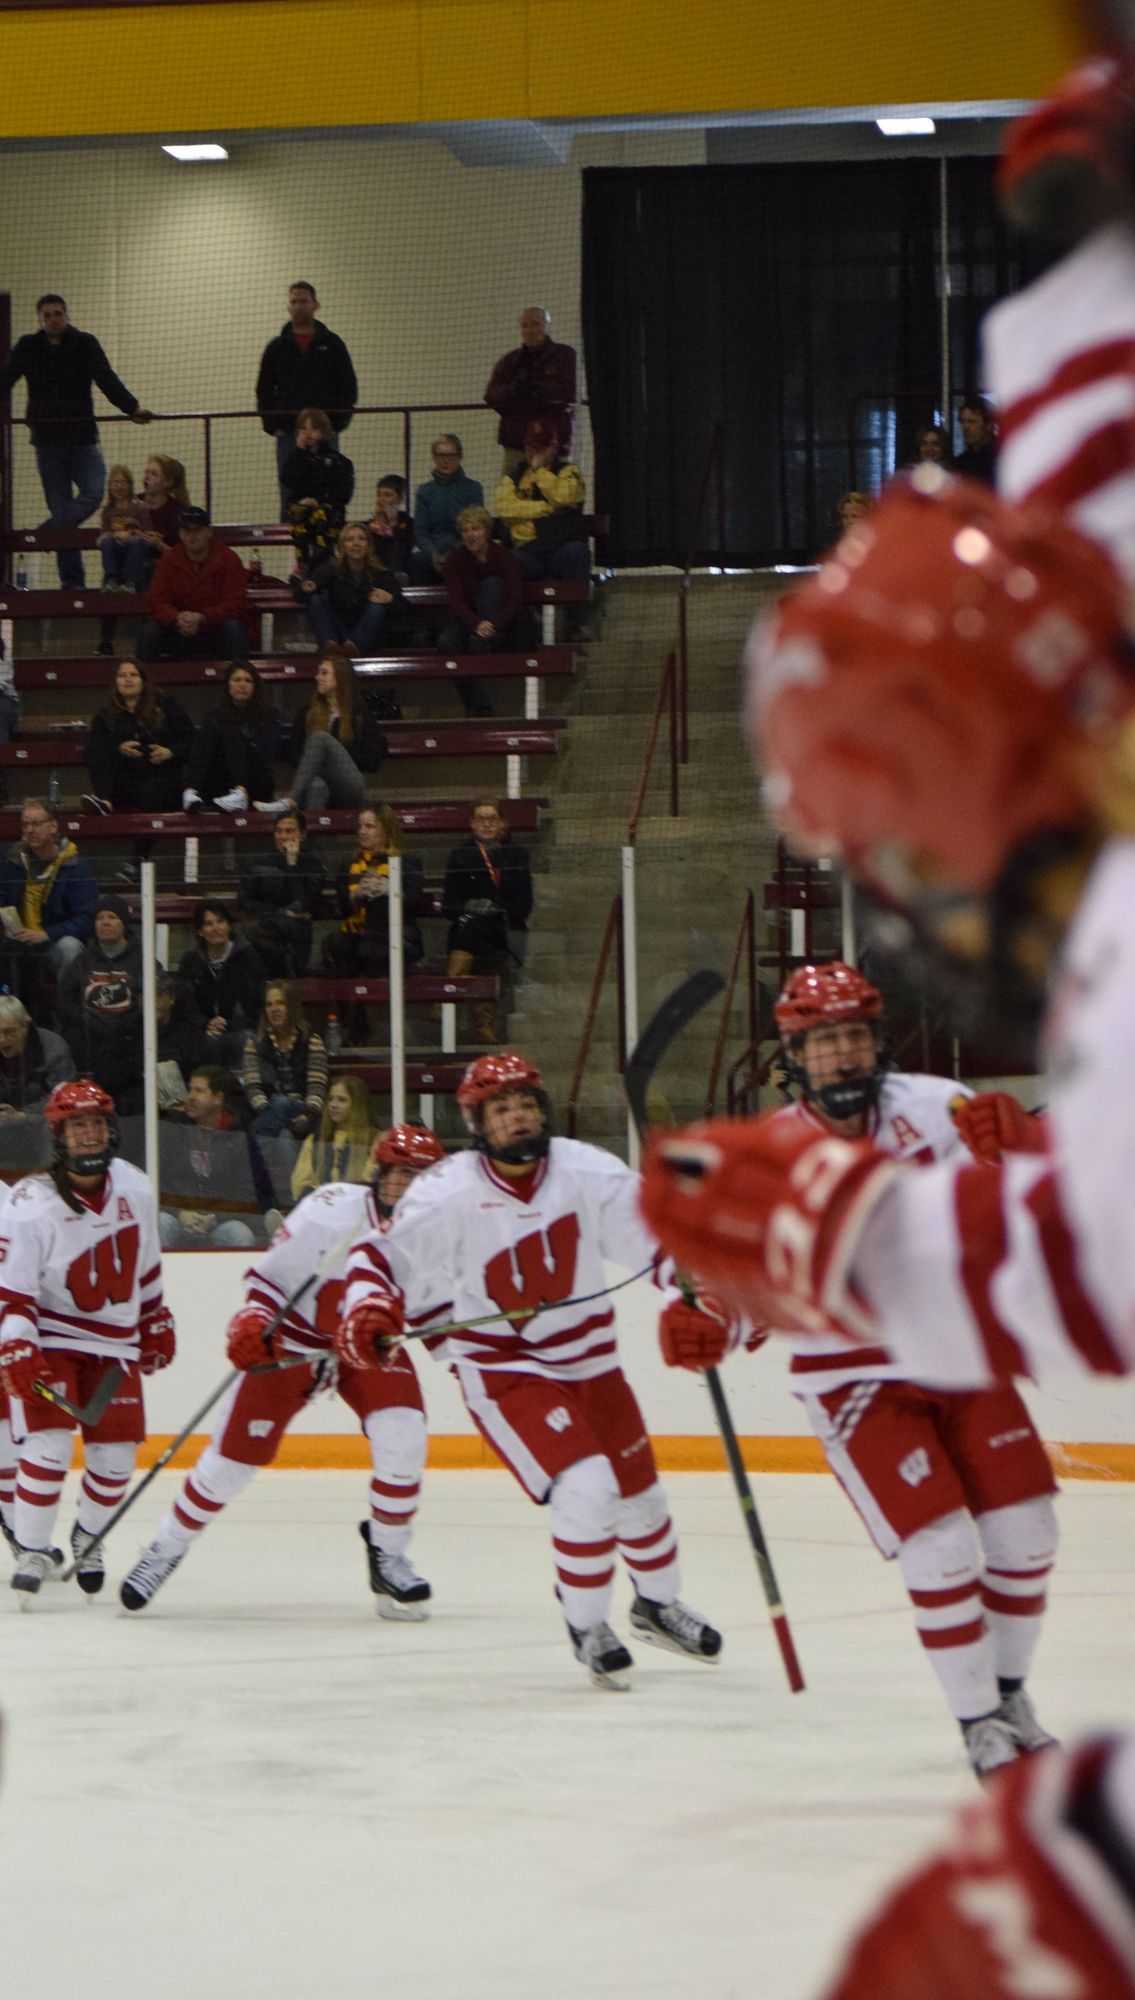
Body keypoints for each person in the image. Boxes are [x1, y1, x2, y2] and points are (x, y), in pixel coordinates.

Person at [661, 959, 1059, 1779]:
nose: (841, 1054)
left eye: (853, 1036)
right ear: (792, 1055)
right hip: (854, 1378)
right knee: (943, 1549)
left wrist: (1022, 1144)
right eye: (822, 1041)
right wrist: (706, 1321)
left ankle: (1010, 1694)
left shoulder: (932, 1107)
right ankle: (978, 1721)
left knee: (1027, 1534)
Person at [338, 1051, 722, 1689]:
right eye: (500, 1108)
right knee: (588, 1486)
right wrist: (370, 1307)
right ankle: (587, 1625)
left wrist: (691, 1296)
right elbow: (380, 1259)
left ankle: (656, 1603)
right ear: (477, 1123)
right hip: (507, 1369)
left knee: (642, 1494)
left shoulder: (586, 1170)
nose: (517, 1117)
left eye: (525, 1104)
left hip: (593, 1364)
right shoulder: (449, 1188)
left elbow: (656, 1241)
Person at [119, 1123, 445, 1614]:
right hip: (292, 1343)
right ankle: (164, 1549)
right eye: (402, 1174)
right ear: (379, 1174)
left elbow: (438, 1312)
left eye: (422, 1177)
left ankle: (390, 1557)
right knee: (226, 1468)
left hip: (366, 1349)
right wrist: (251, 1322)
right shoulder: (332, 1210)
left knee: (405, 1436)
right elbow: (271, 1281)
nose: (410, 1187)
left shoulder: (432, 1233)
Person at [0, 1079, 173, 1598]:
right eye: (79, 1126)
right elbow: (15, 1292)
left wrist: (155, 1318)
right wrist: (18, 1344)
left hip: (115, 1345)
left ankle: (89, 1536)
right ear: (59, 1135)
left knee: (116, 1458)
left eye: (97, 1123)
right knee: (49, 1445)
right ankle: (32, 1547)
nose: (90, 1134)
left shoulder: (135, 1186)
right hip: (52, 1340)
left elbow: (146, 1265)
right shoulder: (31, 1202)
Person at [0, 293, 152, 588]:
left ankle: (48, 531)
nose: (54, 319)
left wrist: (131, 407)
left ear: (67, 316)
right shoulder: (28, 347)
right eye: (48, 316)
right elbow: (6, 378)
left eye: (58, 314)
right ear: (40, 321)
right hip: (47, 442)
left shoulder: (85, 344)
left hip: (83, 438)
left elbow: (106, 377)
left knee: (94, 493)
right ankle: (73, 585)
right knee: (64, 514)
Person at [81, 658, 194, 874]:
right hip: (124, 782)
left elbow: (191, 739)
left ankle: (137, 860)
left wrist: (169, 752)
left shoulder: (166, 705)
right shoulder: (106, 716)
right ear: (115, 682)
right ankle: (104, 801)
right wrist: (118, 748)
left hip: (163, 779)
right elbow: (95, 751)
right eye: (122, 675)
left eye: (133, 674)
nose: (128, 680)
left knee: (154, 791)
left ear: (143, 680)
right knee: (95, 746)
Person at [256, 282, 358, 510]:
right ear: (288, 307)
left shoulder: (333, 345)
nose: (299, 306)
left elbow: (348, 387)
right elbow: (264, 390)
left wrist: (336, 424)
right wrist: (273, 426)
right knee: (290, 492)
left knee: (328, 489)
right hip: (288, 434)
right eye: (294, 302)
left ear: (316, 305)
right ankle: (291, 542)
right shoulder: (276, 347)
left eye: (304, 301)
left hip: (326, 432)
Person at [442, 796, 533, 1043]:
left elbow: (524, 904)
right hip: (472, 929)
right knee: (474, 929)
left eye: (492, 818)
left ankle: (447, 993)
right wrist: (471, 907)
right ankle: (484, 1023)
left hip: (505, 928)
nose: (487, 824)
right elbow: (449, 904)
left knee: (472, 930)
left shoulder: (516, 854)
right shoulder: (460, 855)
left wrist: (496, 909)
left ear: (501, 822)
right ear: (472, 823)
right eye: (481, 818)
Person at [57, 894, 151, 1113]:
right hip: (91, 1035)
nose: (105, 922)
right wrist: (87, 1020)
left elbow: (155, 996)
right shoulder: (82, 961)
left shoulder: (142, 959)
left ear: (123, 924)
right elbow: (65, 1002)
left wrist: (126, 1021)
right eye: (100, 918)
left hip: (129, 1035)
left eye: (112, 917)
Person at [493, 417, 590, 629]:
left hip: (560, 549)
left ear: (553, 447)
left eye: (540, 447)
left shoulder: (568, 472)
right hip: (529, 551)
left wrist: (541, 473)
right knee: (508, 561)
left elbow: (564, 496)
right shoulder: (514, 476)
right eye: (529, 446)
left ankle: (577, 625)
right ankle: (523, 626)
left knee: (578, 552)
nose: (533, 453)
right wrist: (545, 509)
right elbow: (506, 508)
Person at [263, 654, 386, 816]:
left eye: (324, 673)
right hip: (315, 780)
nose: (317, 677)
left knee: (320, 738)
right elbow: (294, 756)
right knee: (317, 786)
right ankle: (314, 840)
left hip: (349, 784)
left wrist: (332, 755)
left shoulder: (360, 715)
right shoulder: (307, 713)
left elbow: (373, 761)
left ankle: (291, 800)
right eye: (318, 673)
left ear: (340, 678)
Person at [0, 797, 98, 1000]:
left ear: (53, 826)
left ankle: (70, 1014)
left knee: (69, 947)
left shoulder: (76, 866)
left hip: (55, 941)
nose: (29, 830)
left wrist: (46, 934)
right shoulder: (12, 862)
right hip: (18, 941)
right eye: (25, 824)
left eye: (36, 823)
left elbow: (86, 920)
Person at [158, 1065, 264, 1251]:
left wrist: (213, 1218)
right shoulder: (175, 1129)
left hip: (217, 1222)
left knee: (239, 1233)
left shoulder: (237, 1137)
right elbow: (159, 1182)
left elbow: (244, 1194)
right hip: (178, 1217)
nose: (190, 1097)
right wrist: (180, 1213)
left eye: (199, 1091)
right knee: (161, 1223)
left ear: (218, 1098)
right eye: (190, 1089)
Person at [241, 980, 328, 1204]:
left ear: (292, 1007)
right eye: (269, 1005)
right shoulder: (255, 1043)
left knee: (279, 1107)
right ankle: (292, 1202)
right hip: (270, 1114)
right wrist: (270, 1112)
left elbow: (317, 1088)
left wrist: (305, 1116)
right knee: (283, 1138)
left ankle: (264, 1198)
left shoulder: (312, 1041)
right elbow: (252, 1086)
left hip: (304, 1112)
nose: (275, 1009)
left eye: (280, 1003)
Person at [438, 506, 524, 718]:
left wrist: (494, 625)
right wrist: (477, 624)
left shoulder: (503, 556)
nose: (470, 535)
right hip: (470, 623)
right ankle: (477, 705)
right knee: (446, 642)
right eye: (465, 530)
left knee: (493, 584)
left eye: (475, 529)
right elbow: (456, 603)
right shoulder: (454, 561)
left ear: (486, 531)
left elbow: (515, 597)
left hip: (502, 624)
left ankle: (487, 642)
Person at [137, 507, 251, 665]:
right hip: (177, 631)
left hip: (213, 631)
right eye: (187, 531)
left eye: (197, 530)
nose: (192, 536)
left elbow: (236, 602)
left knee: (233, 629)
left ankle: (241, 679)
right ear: (180, 534)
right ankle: (143, 684)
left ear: (209, 532)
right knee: (149, 631)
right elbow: (157, 600)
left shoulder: (228, 559)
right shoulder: (168, 560)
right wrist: (177, 617)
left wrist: (203, 617)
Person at [323, 803, 423, 977]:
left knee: (380, 909)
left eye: (369, 826)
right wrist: (356, 895)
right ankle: (350, 1001)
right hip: (357, 935)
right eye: (359, 826)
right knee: (336, 944)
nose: (362, 831)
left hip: (396, 934)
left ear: (386, 830)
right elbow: (343, 908)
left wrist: (390, 890)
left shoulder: (407, 862)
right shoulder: (347, 865)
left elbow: (412, 903)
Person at [177, 898, 267, 1071]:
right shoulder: (191, 961)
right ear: (201, 931)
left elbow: (256, 1002)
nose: (216, 928)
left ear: (228, 925)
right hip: (203, 1029)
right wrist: (206, 1023)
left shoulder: (248, 956)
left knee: (246, 1040)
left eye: (220, 921)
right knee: (194, 1042)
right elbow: (186, 1003)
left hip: (241, 1028)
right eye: (209, 924)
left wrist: (228, 1023)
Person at [182, 662, 282, 816]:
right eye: (237, 680)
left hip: (256, 782)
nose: (242, 684)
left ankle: (240, 793)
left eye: (248, 681)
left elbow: (266, 753)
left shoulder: (270, 716)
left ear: (255, 687)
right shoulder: (214, 716)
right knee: (212, 726)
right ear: (228, 684)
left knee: (229, 729)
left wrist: (242, 743)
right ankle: (190, 792)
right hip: (221, 784)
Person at [238, 807, 326, 976]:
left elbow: (301, 903)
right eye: (278, 831)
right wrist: (279, 912)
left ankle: (288, 969)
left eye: (289, 831)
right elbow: (244, 900)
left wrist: (292, 864)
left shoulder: (313, 865)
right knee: (255, 928)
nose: (283, 837)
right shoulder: (260, 864)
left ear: (303, 834)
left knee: (293, 924)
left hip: (294, 936)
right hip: (266, 930)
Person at [484, 306, 577, 459]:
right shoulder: (510, 361)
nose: (530, 330)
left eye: (536, 324)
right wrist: (514, 390)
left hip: (555, 446)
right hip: (517, 446)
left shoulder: (565, 356)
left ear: (548, 326)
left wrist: (539, 389)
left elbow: (571, 392)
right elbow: (491, 395)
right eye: (525, 325)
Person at [298, 522, 400, 659]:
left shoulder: (381, 573)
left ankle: (352, 647)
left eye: (361, 539)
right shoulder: (330, 569)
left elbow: (404, 607)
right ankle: (331, 646)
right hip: (338, 635)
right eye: (350, 539)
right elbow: (299, 595)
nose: (356, 543)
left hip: (369, 638)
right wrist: (305, 588)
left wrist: (390, 598)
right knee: (315, 599)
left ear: (369, 545)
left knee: (378, 606)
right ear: (342, 546)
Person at [279, 406, 355, 574]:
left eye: (313, 428)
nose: (308, 433)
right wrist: (299, 452)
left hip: (328, 512)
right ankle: (305, 564)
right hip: (302, 511)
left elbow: (343, 494)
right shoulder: (295, 459)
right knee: (302, 515)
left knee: (321, 517)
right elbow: (288, 479)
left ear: (323, 431)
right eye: (304, 429)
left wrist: (319, 500)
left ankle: (319, 566)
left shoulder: (338, 461)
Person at [291, 1074, 377, 1200]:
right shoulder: (315, 1139)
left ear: (358, 1104)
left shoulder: (376, 1139)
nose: (333, 1105)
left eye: (342, 1100)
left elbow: (371, 1181)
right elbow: (300, 1184)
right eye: (330, 1099)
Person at [409, 436, 484, 582]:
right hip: (433, 554)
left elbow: (477, 527)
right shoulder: (424, 491)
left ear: (459, 457)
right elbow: (420, 531)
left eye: (451, 456)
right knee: (417, 562)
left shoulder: (473, 489)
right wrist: (433, 554)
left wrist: (455, 552)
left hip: (465, 550)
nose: (445, 460)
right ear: (434, 458)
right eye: (441, 455)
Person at [0, 993, 74, 1116]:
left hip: (41, 1124)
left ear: (25, 1026)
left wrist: (23, 1115)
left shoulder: (54, 1048)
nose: (1, 1040)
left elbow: (62, 1097)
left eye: (9, 1031)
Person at [96, 464, 148, 591]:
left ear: (130, 485)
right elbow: (103, 536)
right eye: (115, 483)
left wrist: (132, 534)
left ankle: (130, 582)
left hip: (135, 548)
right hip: (115, 548)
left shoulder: (140, 508)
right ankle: (111, 580)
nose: (118, 486)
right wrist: (115, 536)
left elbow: (148, 534)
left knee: (137, 543)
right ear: (109, 486)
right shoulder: (107, 511)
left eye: (123, 482)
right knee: (107, 542)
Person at [367, 474, 413, 575]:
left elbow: (406, 546)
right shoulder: (368, 525)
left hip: (399, 567)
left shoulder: (408, 522)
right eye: (379, 494)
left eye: (387, 495)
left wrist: (392, 525)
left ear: (400, 499)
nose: (381, 499)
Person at [953, 393, 999, 483]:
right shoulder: (960, 463)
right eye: (963, 422)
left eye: (972, 421)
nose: (965, 427)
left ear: (989, 425)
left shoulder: (1002, 460)